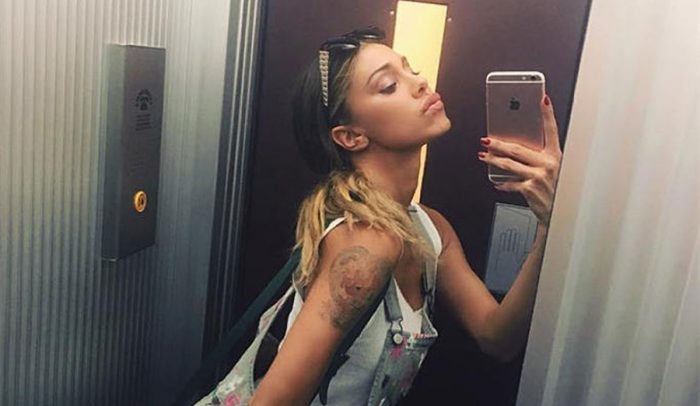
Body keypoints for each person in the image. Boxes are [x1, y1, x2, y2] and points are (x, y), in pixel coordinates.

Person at [201, 26, 562, 406]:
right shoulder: (367, 241)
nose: (420, 83)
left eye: (411, 69)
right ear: (351, 136)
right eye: (389, 85)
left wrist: (548, 223)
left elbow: (497, 337)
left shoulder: (430, 229)